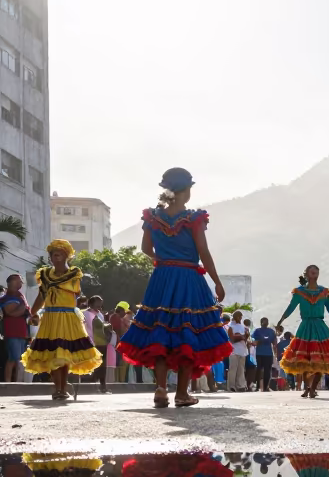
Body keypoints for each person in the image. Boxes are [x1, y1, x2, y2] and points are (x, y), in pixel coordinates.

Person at [117, 170, 231, 407]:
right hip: (189, 278)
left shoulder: (153, 218)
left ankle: (160, 389)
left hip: (162, 278)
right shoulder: (193, 218)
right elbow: (204, 252)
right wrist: (217, 281)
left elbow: (146, 248)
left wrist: (164, 260)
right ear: (185, 191)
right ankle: (181, 393)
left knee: (161, 330)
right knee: (188, 332)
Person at [276, 265, 329, 398]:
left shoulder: (324, 292)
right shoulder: (299, 292)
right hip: (305, 327)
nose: (315, 276)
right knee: (304, 360)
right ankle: (307, 388)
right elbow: (290, 308)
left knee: (321, 360)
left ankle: (312, 388)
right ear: (307, 275)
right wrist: (280, 321)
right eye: (313, 273)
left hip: (320, 327)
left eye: (317, 273)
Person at [0, 273, 30, 383]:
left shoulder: (20, 296)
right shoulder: (6, 298)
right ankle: (8, 382)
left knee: (20, 359)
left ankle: (18, 382)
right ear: (10, 282)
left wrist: (23, 309)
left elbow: (27, 312)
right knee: (13, 358)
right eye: (18, 280)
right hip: (11, 331)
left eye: (21, 281)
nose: (20, 283)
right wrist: (23, 308)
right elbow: (11, 313)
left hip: (22, 331)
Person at [83, 294, 112, 393]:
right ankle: (89, 383)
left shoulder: (100, 314)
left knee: (102, 365)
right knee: (91, 364)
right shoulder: (85, 314)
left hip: (102, 343)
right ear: (90, 304)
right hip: (90, 342)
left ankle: (103, 385)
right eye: (97, 303)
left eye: (101, 303)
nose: (100, 305)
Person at [251, 317, 278, 391]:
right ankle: (261, 386)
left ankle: (262, 386)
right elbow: (274, 343)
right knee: (262, 370)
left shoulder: (259, 331)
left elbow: (274, 343)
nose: (265, 323)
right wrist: (275, 352)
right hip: (264, 353)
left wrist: (275, 352)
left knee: (263, 370)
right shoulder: (261, 331)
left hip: (265, 353)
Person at [225, 309, 248, 391]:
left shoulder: (243, 326)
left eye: (241, 316)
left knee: (241, 369)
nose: (240, 318)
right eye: (239, 316)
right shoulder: (231, 326)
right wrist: (241, 337)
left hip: (242, 350)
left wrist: (242, 336)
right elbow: (232, 339)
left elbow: (245, 338)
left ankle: (240, 386)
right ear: (235, 317)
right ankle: (231, 386)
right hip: (234, 351)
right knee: (233, 369)